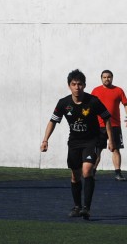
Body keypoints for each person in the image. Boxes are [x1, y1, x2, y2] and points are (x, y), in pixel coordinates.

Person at [40, 69, 114, 220]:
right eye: (74, 84)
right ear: (69, 86)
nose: (77, 87)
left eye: (80, 84)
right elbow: (53, 121)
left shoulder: (93, 101)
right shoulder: (63, 103)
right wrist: (45, 140)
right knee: (75, 176)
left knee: (87, 171)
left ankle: (86, 208)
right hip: (74, 142)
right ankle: (77, 206)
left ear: (84, 85)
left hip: (91, 140)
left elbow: (107, 119)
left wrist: (110, 139)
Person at [91, 69, 127, 181]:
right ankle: (92, 173)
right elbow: (89, 107)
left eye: (109, 77)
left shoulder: (118, 90)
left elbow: (126, 104)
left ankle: (118, 173)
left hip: (114, 125)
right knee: (97, 150)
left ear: (112, 78)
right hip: (98, 126)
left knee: (115, 149)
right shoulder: (95, 91)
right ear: (101, 78)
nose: (106, 79)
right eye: (104, 77)